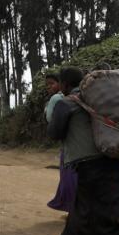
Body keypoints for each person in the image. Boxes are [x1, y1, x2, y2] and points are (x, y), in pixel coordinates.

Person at [47, 67, 119, 235]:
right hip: (114, 162)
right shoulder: (97, 101)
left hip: (90, 169)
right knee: (105, 213)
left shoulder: (66, 103)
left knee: (96, 219)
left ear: (64, 84)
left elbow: (54, 133)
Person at [45, 73, 77, 214]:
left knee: (68, 176)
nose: (49, 87)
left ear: (62, 83)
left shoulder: (57, 98)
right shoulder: (78, 97)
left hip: (68, 145)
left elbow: (50, 119)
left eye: (52, 83)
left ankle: (72, 208)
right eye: (47, 85)